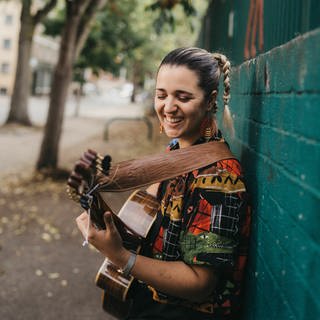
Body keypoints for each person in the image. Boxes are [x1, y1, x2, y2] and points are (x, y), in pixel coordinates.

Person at [75, 47, 250, 319]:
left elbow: (199, 285)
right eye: (161, 95)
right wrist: (102, 222)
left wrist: (121, 257)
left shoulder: (218, 177)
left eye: (183, 97)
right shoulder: (175, 152)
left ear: (209, 100)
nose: (168, 107)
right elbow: (148, 224)